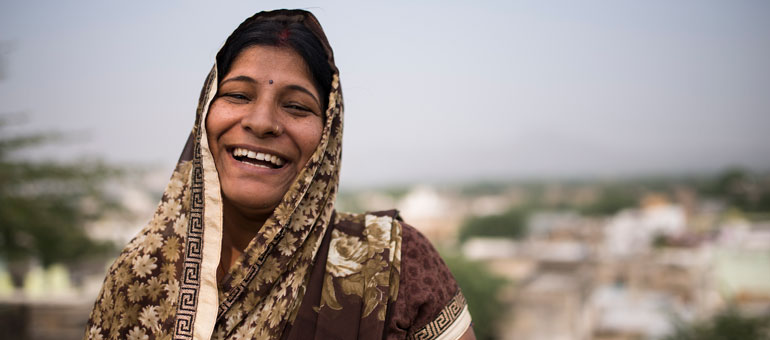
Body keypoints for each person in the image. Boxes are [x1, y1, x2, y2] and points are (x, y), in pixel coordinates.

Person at [85, 9, 475, 340]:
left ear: (328, 135)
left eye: (296, 106)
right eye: (238, 95)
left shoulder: (393, 267)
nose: (262, 122)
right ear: (205, 112)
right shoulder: (139, 278)